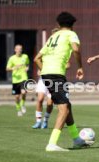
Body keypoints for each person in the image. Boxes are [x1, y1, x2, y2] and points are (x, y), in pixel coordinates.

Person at [34, 12, 94, 151]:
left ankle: (76, 139)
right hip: (56, 75)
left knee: (67, 106)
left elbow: (36, 58)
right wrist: (80, 67)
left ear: (58, 24)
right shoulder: (71, 34)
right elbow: (76, 50)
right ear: (72, 25)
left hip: (47, 74)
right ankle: (52, 144)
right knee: (64, 108)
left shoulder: (52, 37)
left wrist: (45, 71)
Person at [32, 28, 65, 129]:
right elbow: (37, 59)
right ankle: (38, 121)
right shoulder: (47, 47)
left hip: (55, 79)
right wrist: (42, 69)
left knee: (50, 102)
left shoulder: (62, 50)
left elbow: (67, 64)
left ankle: (45, 120)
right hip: (44, 78)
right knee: (40, 99)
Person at [6, 44, 29, 116]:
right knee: (16, 96)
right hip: (15, 80)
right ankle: (18, 109)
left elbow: (28, 64)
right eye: (18, 49)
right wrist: (13, 68)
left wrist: (27, 68)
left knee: (24, 92)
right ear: (15, 50)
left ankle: (22, 104)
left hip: (24, 78)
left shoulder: (25, 56)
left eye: (20, 49)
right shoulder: (12, 58)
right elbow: (7, 68)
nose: (19, 50)